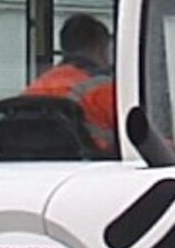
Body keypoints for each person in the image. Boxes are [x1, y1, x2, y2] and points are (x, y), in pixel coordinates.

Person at [24, 13, 117, 156]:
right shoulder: (103, 88)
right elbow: (136, 136)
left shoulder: (34, 89)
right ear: (98, 47)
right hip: (100, 171)